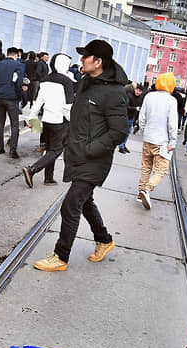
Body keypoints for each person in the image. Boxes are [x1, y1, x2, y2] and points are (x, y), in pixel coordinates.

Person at [33, 39, 127, 272]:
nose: (81, 60)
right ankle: (104, 240)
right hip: (78, 153)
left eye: (85, 56)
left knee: (71, 204)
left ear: (98, 62)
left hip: (94, 158)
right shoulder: (86, 83)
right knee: (85, 202)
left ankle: (61, 256)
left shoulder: (114, 92)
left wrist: (90, 149)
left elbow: (118, 131)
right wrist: (68, 139)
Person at [23, 53, 74, 187]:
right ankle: (32, 169)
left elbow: (38, 101)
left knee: (50, 149)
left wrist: (32, 118)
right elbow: (67, 107)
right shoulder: (67, 81)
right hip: (60, 121)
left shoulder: (46, 79)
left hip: (46, 120)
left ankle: (48, 178)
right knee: (56, 150)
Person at [136, 72, 177, 210]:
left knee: (146, 166)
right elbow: (172, 123)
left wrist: (143, 131)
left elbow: (142, 117)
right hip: (163, 141)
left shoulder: (149, 96)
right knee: (161, 169)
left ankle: (140, 192)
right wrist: (173, 142)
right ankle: (147, 190)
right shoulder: (171, 100)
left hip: (148, 138)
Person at [0, 46, 23, 159]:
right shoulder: (18, 65)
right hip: (12, 98)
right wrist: (18, 96)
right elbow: (19, 83)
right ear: (16, 55)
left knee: (0, 123)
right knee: (14, 124)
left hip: (0, 96)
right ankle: (13, 150)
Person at [118, 83, 144, 154]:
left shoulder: (141, 97)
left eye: (140, 91)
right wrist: (135, 108)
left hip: (132, 117)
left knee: (128, 132)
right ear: (135, 89)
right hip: (125, 116)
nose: (138, 92)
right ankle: (121, 146)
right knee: (124, 132)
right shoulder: (129, 95)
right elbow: (126, 106)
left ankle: (123, 145)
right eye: (137, 90)